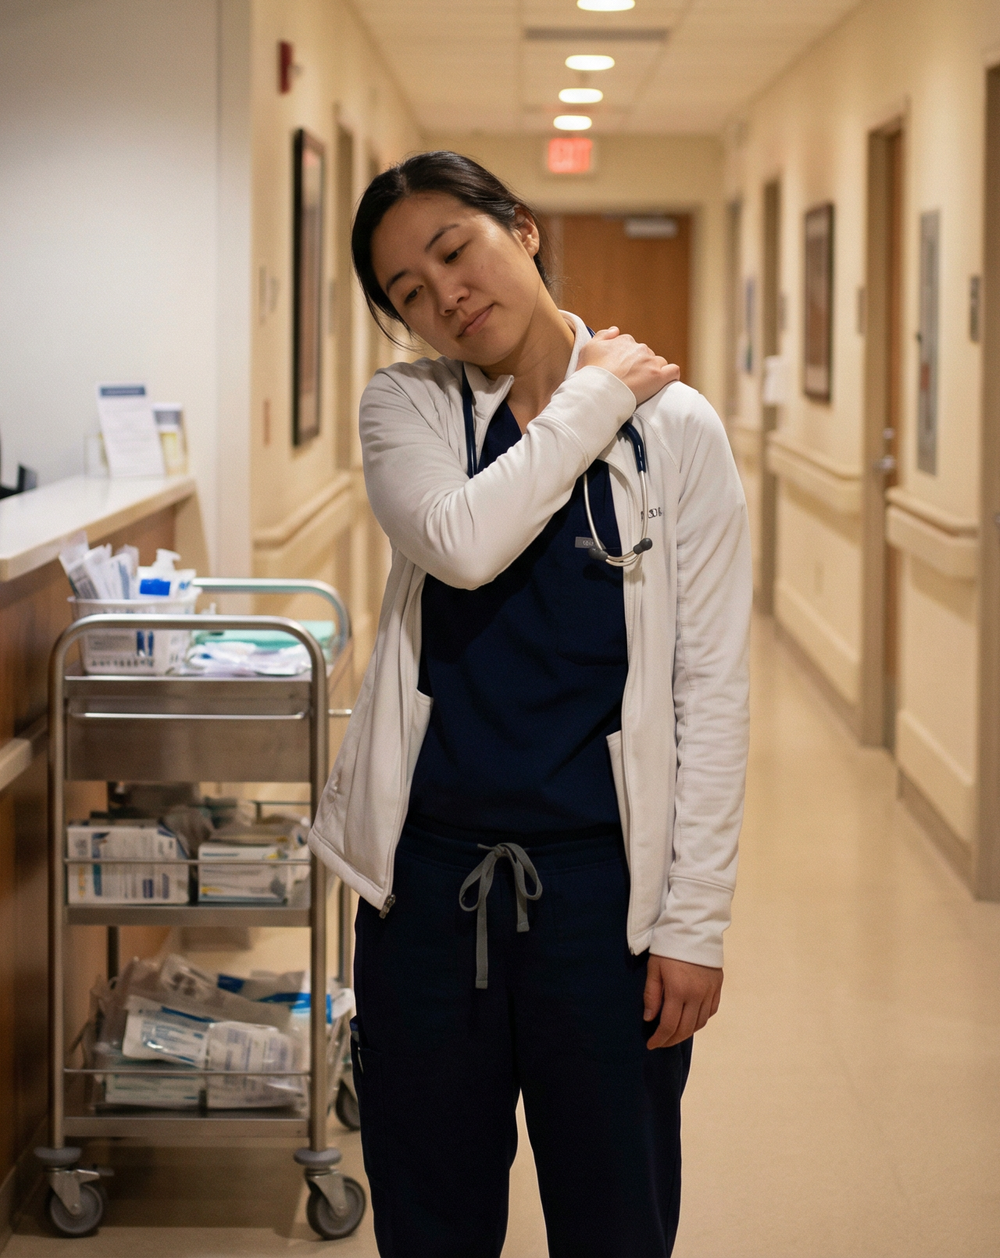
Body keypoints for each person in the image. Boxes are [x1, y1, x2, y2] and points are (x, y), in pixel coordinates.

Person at [308, 151, 751, 1258]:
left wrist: (694, 921)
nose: (445, 294)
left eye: (455, 249)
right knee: (432, 1219)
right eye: (409, 292)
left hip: (604, 902)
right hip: (424, 896)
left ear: (522, 227)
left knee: (616, 1219)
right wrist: (593, 391)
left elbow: (712, 689)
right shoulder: (406, 406)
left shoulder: (679, 431)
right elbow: (460, 543)